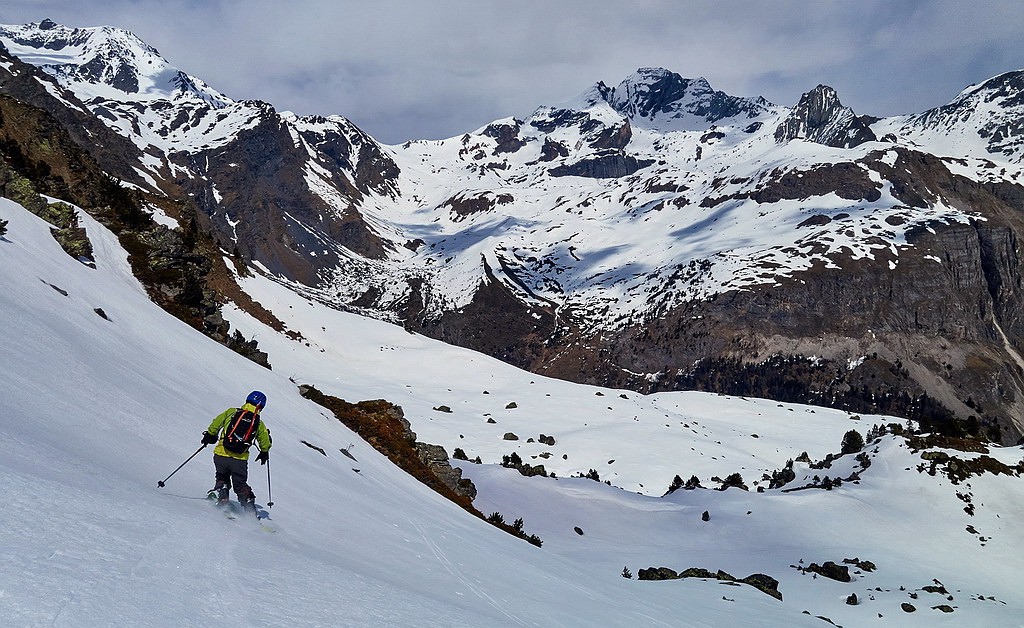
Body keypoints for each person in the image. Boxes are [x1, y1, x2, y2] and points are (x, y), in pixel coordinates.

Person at [202, 390, 272, 512]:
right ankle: (250, 510)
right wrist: (264, 452)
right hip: (239, 460)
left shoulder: (231, 412)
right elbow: (265, 442)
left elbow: (216, 424)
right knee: (240, 485)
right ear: (261, 406)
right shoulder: (258, 423)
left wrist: (210, 435)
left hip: (221, 454)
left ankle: (223, 497)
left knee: (222, 476)